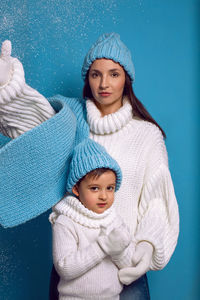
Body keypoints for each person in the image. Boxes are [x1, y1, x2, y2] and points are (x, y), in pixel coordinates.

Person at [0, 33, 179, 299]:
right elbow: (35, 128)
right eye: (96, 74)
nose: (104, 83)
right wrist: (8, 87)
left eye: (114, 74)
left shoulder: (147, 135)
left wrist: (147, 247)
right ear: (87, 78)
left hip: (123, 266)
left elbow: (156, 200)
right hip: (73, 271)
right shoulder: (71, 120)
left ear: (126, 80)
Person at [49, 138, 136, 299]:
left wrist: (118, 251)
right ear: (76, 188)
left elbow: (129, 266)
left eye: (109, 188)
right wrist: (103, 246)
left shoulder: (114, 220)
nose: (104, 196)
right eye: (94, 188)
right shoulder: (65, 222)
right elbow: (65, 268)